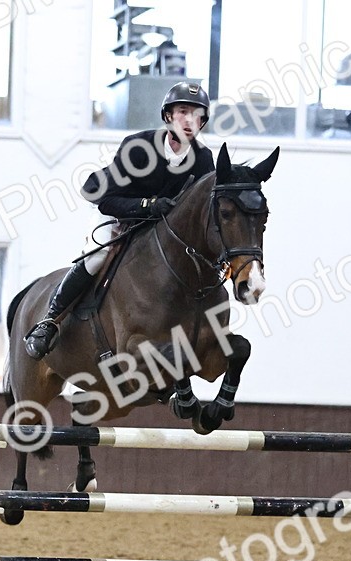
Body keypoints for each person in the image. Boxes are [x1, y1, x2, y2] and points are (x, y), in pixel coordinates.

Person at [23, 81, 217, 360]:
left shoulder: (203, 159)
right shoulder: (139, 147)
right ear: (168, 116)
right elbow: (106, 199)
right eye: (183, 111)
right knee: (98, 257)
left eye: (197, 115)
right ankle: (49, 321)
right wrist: (148, 205)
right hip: (115, 212)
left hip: (158, 228)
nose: (189, 120)